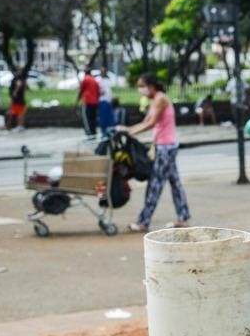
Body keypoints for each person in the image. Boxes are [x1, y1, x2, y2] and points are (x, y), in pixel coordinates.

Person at [117, 73, 189, 232]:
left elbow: (151, 123)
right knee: (175, 183)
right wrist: (128, 130)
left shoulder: (160, 99)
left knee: (155, 184)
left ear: (151, 86)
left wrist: (130, 132)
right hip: (166, 146)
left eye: (142, 86)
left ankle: (143, 221)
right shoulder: (156, 100)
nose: (140, 90)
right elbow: (146, 122)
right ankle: (183, 217)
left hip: (165, 147)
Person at [77, 67, 100, 139]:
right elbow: (98, 92)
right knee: (93, 118)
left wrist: (77, 101)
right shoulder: (95, 80)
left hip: (88, 102)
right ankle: (94, 132)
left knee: (87, 118)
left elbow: (81, 91)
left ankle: (89, 134)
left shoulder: (85, 79)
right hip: (95, 102)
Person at [96, 67, 116, 138]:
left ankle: (111, 132)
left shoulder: (108, 80)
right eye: (102, 72)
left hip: (108, 101)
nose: (103, 73)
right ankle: (104, 133)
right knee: (103, 119)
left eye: (104, 72)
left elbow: (109, 91)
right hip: (102, 101)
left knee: (110, 118)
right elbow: (99, 91)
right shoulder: (98, 80)